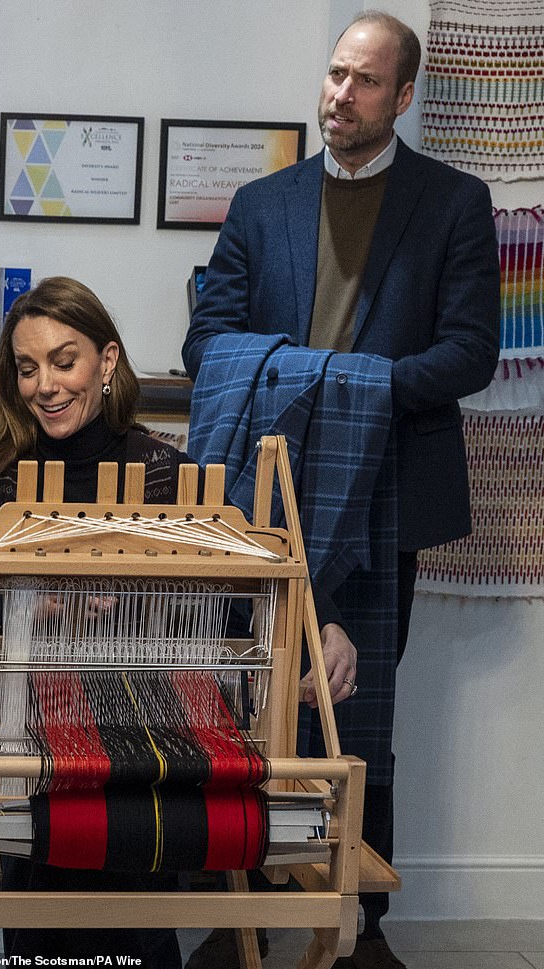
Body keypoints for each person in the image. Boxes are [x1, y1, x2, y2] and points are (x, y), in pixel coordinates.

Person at [182, 12, 500, 969]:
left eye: (364, 82)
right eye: (334, 74)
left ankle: (366, 925)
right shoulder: (260, 201)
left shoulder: (454, 202)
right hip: (262, 494)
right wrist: (313, 378)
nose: (339, 95)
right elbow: (207, 342)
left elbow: (471, 352)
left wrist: (358, 389)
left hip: (388, 487)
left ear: (403, 96)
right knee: (250, 705)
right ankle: (244, 913)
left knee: (364, 711)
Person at [0, 275, 189, 968]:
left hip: (140, 748)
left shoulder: (166, 474)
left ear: (108, 361)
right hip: (21, 752)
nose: (45, 383)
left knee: (134, 937)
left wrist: (327, 626)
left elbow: (248, 577)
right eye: (27, 366)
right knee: (42, 936)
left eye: (64, 360)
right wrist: (38, 597)